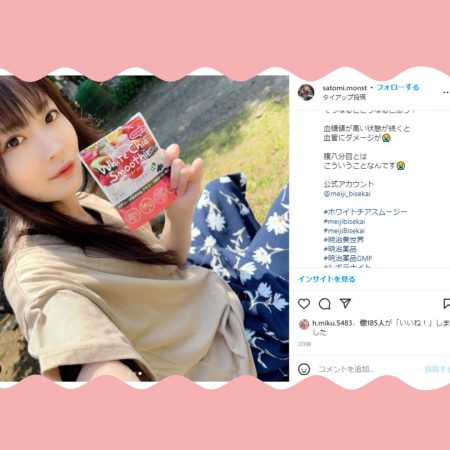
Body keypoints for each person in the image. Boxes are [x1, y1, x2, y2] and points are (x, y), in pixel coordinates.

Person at [0, 76, 289, 382]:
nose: (54, 147)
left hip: (212, 298)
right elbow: (82, 351)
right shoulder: (34, 274)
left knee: (218, 192)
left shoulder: (86, 202)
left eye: (49, 116)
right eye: (13, 141)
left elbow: (165, 267)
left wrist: (178, 214)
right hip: (236, 351)